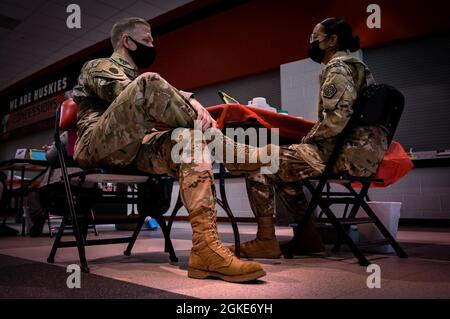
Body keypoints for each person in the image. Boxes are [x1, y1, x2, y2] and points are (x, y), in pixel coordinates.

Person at [71, 17, 271, 283]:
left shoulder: (142, 81)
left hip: (136, 148)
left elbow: (152, 97)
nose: (153, 44)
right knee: (149, 82)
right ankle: (231, 151)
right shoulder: (97, 66)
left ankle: (206, 249)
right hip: (96, 145)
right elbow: (131, 90)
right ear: (127, 41)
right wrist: (190, 100)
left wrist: (190, 103)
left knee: (189, 139)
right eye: (147, 40)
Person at [233, 18, 388, 258]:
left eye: (314, 38)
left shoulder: (337, 67)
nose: (311, 43)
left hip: (342, 155)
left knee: (258, 160)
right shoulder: (358, 68)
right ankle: (308, 238)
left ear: (332, 40)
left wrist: (307, 139)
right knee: (285, 168)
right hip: (363, 155)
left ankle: (266, 240)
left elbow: (337, 118)